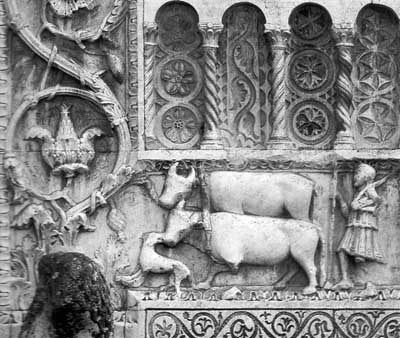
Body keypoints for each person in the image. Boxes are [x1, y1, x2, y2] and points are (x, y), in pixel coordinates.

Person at [335, 163, 385, 290]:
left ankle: (356, 280)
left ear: (367, 178)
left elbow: (380, 203)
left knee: (354, 252)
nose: (354, 177)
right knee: (343, 250)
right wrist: (341, 200)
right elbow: (349, 214)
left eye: (358, 174)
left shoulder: (369, 190)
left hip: (362, 225)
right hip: (353, 224)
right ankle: (346, 279)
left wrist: (364, 207)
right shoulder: (359, 193)